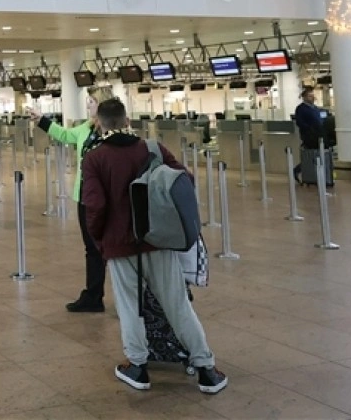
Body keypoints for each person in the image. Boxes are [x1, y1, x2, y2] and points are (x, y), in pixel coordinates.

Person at [81, 98, 228, 395]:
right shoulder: (152, 148)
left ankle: (138, 366)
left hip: (119, 244)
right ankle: (206, 369)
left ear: (100, 121)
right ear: (126, 119)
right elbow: (184, 179)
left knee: (129, 307)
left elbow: (94, 206)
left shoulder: (94, 158)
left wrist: (100, 240)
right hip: (158, 240)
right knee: (177, 304)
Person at [28, 87, 110, 312]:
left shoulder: (116, 131)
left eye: (92, 101)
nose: (88, 105)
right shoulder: (85, 128)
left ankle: (130, 297)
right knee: (92, 249)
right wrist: (42, 121)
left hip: (109, 198)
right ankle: (93, 296)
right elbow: (65, 135)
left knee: (115, 248)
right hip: (85, 196)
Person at [291, 87, 322, 183]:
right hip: (308, 135)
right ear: (304, 97)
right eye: (309, 96)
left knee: (316, 155)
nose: (312, 97)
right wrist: (309, 128)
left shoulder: (315, 108)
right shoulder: (301, 108)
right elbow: (299, 122)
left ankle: (314, 174)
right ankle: (297, 170)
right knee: (309, 155)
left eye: (312, 96)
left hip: (318, 134)